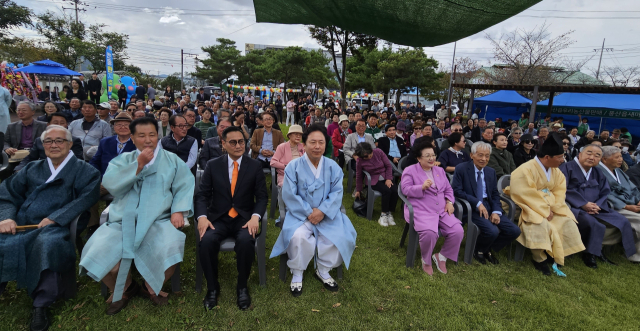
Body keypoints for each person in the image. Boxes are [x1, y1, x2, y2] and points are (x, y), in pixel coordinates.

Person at [80, 117, 194, 315]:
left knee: (172, 245)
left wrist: (178, 210)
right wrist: (138, 166)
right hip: (123, 219)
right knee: (98, 250)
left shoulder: (172, 160)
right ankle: (126, 287)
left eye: (152, 134)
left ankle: (151, 287)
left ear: (158, 136)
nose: (148, 140)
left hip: (160, 218)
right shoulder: (123, 160)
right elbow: (111, 184)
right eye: (141, 135)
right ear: (132, 138)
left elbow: (184, 185)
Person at [0, 125, 100, 330]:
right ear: (42, 145)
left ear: (70, 144)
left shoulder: (85, 170)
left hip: (57, 224)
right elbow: (8, 194)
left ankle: (41, 304)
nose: (54, 145)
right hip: (23, 221)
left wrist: (56, 218)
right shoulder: (32, 168)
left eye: (59, 141)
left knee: (48, 243)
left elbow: (86, 198)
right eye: (48, 141)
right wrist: (7, 218)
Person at [269, 124, 356, 296]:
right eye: (313, 142)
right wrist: (309, 212)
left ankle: (323, 269)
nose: (317, 146)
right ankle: (297, 272)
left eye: (321, 142)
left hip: (327, 214)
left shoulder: (333, 167)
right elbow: (289, 194)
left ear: (326, 144)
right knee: (298, 236)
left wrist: (322, 211)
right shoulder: (293, 167)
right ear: (304, 143)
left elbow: (337, 193)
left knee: (338, 236)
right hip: (301, 214)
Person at [195, 126, 268, 310]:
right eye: (233, 142)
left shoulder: (254, 166)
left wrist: (255, 217)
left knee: (245, 242)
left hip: (244, 217)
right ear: (224, 144)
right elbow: (202, 195)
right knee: (207, 242)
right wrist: (202, 217)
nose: (238, 146)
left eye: (241, 141)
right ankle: (212, 288)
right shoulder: (213, 165)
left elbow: (261, 197)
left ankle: (242, 286)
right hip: (217, 217)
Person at [508, 135, 585, 275]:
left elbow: (560, 191)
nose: (563, 160)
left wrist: (553, 207)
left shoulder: (556, 171)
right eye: (560, 157)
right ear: (547, 157)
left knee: (566, 220)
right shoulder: (525, 169)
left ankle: (554, 253)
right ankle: (539, 258)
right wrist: (543, 210)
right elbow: (523, 193)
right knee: (539, 223)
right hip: (527, 205)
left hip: (550, 205)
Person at [560, 144, 637, 268]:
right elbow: (563, 189)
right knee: (594, 224)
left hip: (597, 207)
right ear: (580, 154)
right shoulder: (567, 168)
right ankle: (590, 254)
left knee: (622, 220)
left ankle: (628, 253)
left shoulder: (597, 171)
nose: (592, 157)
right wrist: (584, 204)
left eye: (597, 155)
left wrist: (598, 205)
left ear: (601, 159)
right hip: (576, 207)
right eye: (589, 153)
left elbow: (605, 191)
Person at [451, 142, 521, 265]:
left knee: (514, 231)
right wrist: (477, 202)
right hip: (471, 207)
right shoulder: (461, 168)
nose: (484, 159)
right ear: (472, 155)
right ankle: (478, 250)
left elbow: (494, 194)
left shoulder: (490, 172)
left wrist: (496, 211)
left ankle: (486, 249)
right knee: (492, 231)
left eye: (487, 156)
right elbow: (457, 191)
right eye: (480, 155)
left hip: (489, 205)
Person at [401, 140, 463, 275]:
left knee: (457, 231)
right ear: (418, 158)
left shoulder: (439, 170)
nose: (432, 158)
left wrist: (450, 202)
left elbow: (448, 190)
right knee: (430, 233)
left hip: (442, 209)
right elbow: (405, 189)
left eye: (433, 155)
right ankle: (426, 260)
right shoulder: (410, 170)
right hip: (421, 210)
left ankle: (441, 256)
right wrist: (421, 187)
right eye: (427, 156)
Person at [598, 146, 640, 262]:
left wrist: (638, 199)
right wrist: (625, 206)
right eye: (617, 157)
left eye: (621, 156)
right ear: (604, 159)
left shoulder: (618, 170)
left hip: (631, 203)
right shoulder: (597, 171)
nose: (621, 159)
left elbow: (633, 187)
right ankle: (635, 256)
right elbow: (605, 193)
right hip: (614, 206)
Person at [15, 112, 83, 172]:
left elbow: (77, 160)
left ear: (67, 125)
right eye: (55, 123)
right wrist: (19, 169)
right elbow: (30, 158)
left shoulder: (74, 140)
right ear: (48, 125)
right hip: (42, 170)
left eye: (62, 123)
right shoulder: (39, 140)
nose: (58, 125)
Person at [354, 143, 398, 226]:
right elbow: (359, 175)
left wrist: (388, 179)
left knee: (394, 190)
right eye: (365, 157)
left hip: (385, 176)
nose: (369, 157)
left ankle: (389, 212)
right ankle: (383, 214)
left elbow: (388, 165)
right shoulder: (360, 161)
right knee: (387, 191)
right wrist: (358, 190)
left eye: (369, 154)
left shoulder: (378, 152)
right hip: (373, 180)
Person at [271, 125, 305, 224]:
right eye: (296, 134)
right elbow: (273, 162)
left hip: (301, 175)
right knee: (288, 187)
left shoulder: (302, 147)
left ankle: (296, 212)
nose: (298, 136)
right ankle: (287, 213)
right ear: (289, 135)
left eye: (300, 134)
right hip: (285, 175)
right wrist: (286, 167)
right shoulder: (282, 147)